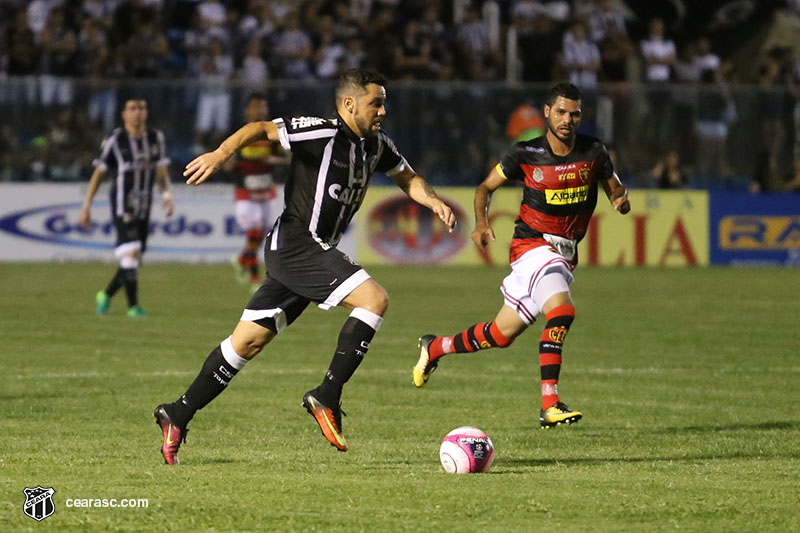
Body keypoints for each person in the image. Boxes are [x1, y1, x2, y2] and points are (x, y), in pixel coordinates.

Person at [154, 68, 456, 464]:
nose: (383, 110)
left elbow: (407, 176)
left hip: (308, 253)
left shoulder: (377, 145)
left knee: (246, 343)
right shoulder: (322, 132)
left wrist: (431, 200)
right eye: (375, 102)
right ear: (349, 104)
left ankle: (177, 412)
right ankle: (326, 396)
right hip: (296, 243)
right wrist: (220, 153)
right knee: (374, 299)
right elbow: (260, 128)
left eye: (384, 102)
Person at [412, 82, 630, 428]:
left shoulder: (594, 151)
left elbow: (612, 182)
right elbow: (485, 187)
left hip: (563, 253)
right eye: (561, 112)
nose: (567, 120)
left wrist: (618, 197)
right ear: (547, 112)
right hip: (532, 247)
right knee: (561, 312)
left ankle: (435, 347)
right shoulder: (525, 154)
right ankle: (550, 404)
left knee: (500, 334)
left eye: (574, 114)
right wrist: (482, 223)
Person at [79, 98, 174, 318]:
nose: (138, 113)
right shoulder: (115, 140)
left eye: (142, 108)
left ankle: (105, 294)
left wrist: (167, 195)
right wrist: (87, 205)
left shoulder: (155, 138)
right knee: (131, 252)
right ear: (124, 114)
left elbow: (161, 170)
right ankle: (133, 307)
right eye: (133, 108)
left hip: (144, 206)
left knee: (133, 259)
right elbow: (99, 173)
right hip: (123, 206)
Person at [222, 93, 289, 291]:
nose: (260, 110)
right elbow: (226, 161)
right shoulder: (239, 133)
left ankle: (242, 259)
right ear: (248, 111)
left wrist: (275, 160)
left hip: (266, 190)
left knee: (261, 235)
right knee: (253, 234)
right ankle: (254, 278)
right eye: (256, 106)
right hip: (245, 191)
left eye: (263, 106)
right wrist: (237, 163)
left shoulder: (272, 134)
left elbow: (286, 158)